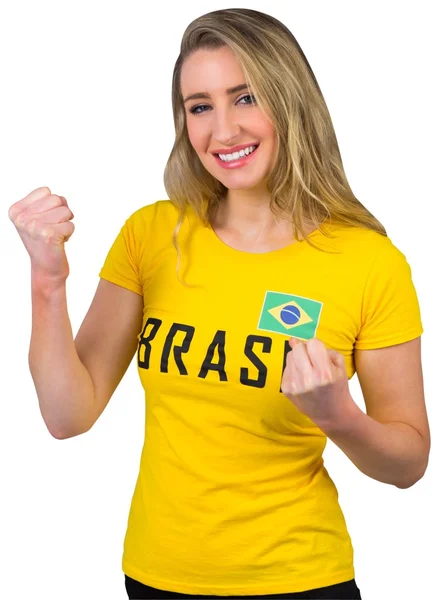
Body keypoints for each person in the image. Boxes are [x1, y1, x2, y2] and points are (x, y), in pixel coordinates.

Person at [8, 7, 430, 600]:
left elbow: (408, 464)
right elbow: (67, 416)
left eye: (246, 97)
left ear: (291, 101)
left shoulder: (369, 262)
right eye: (200, 106)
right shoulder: (152, 235)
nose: (223, 131)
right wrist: (47, 282)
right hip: (155, 578)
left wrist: (338, 414)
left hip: (298, 582)